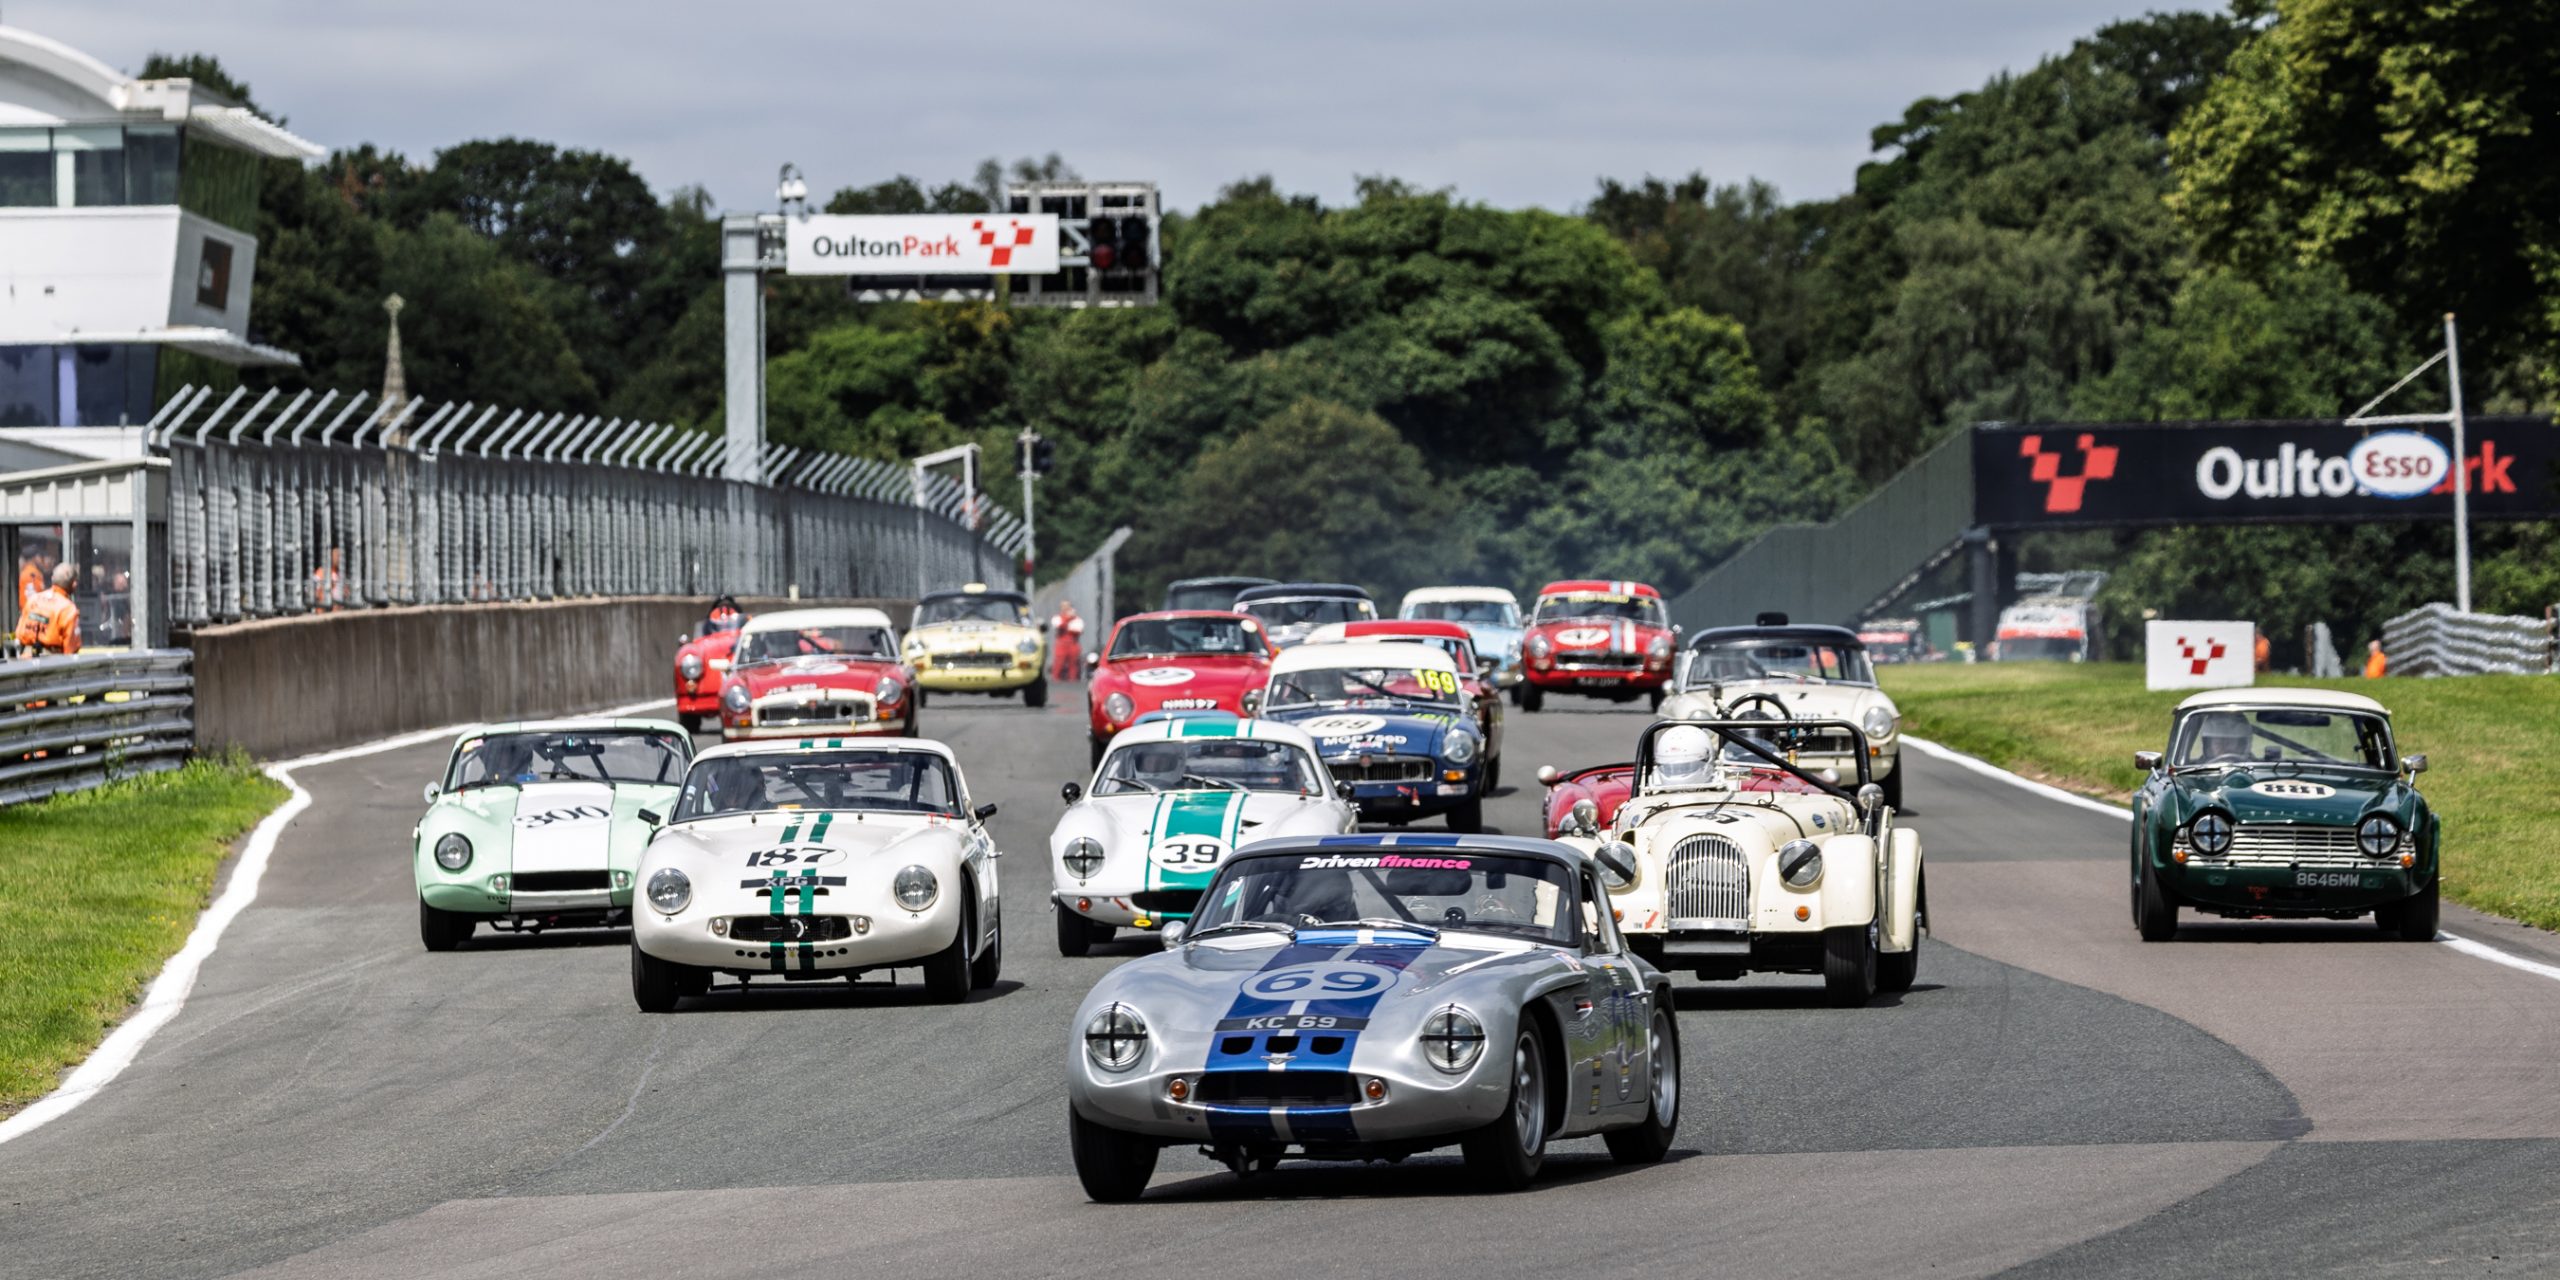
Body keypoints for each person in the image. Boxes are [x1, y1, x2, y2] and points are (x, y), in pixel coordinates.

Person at [14, 563, 81, 657]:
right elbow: (71, 649)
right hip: (52, 663)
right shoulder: (68, 609)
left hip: (26, 660)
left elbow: (19, 633)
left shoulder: (33, 600)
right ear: (74, 584)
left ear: (52, 578)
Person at [1050, 599, 1084, 681]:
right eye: (1063, 606)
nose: (1065, 608)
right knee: (1059, 663)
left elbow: (1078, 630)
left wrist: (1069, 622)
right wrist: (1068, 619)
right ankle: (1055, 680)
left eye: (1067, 606)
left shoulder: (1077, 619)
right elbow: (1058, 626)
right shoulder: (1057, 618)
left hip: (1073, 643)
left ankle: (1073, 680)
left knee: (1073, 663)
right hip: (1061, 644)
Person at [311, 548, 346, 613]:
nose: (339, 559)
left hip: (338, 612)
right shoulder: (321, 572)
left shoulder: (340, 574)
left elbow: (345, 593)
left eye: (341, 556)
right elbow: (314, 593)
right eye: (337, 556)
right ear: (331, 557)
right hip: (324, 612)